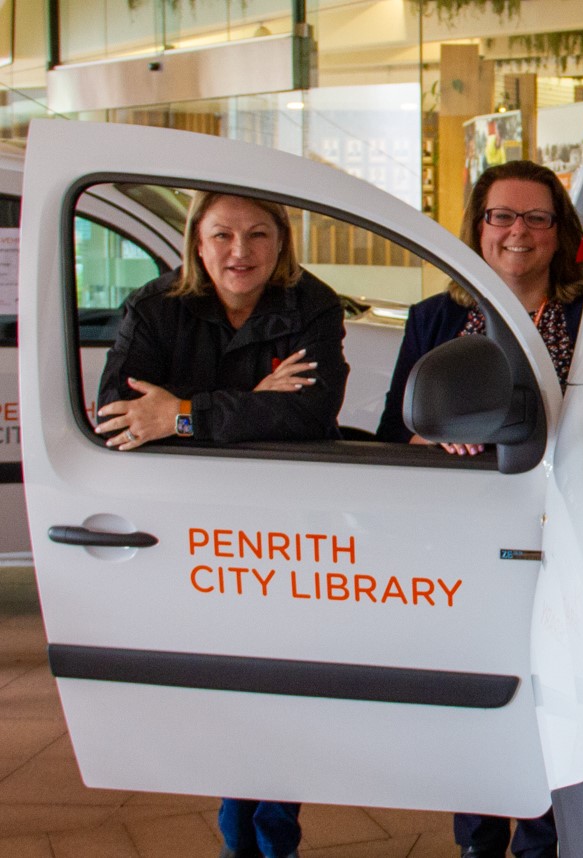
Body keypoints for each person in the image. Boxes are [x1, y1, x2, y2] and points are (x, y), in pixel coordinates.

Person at [93, 191, 347, 858]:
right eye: (223, 235)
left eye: (258, 235)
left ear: (281, 242)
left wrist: (182, 414)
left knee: (285, 686)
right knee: (229, 689)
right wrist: (252, 405)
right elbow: (119, 417)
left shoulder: (310, 305)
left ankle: (273, 837)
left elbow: (312, 416)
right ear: (197, 243)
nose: (241, 252)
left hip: (284, 531)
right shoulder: (155, 308)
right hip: (194, 533)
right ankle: (242, 832)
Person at [377, 160, 583, 858]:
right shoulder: (434, 319)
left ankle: (543, 839)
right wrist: (432, 432)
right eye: (501, 216)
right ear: (478, 227)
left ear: (559, 233)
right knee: (478, 696)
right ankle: (476, 839)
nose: (516, 232)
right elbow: (393, 433)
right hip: (463, 544)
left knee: (551, 694)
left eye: (535, 218)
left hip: (564, 536)